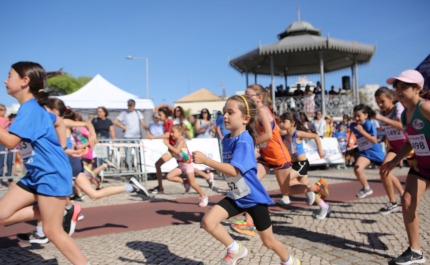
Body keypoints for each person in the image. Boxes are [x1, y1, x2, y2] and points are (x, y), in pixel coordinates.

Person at [16, 98, 149, 245]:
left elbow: (85, 124)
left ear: (53, 111)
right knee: (93, 194)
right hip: (69, 162)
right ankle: (130, 187)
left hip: (64, 164)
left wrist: (91, 134)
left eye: (44, 108)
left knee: (44, 195)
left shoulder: (59, 122)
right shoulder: (49, 122)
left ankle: (60, 217)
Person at [193, 95, 302, 265]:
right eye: (224, 112)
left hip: (253, 199)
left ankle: (290, 261)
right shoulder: (227, 139)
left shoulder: (244, 140)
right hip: (236, 194)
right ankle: (235, 249)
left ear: (245, 118)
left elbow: (235, 170)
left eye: (230, 112)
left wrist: (207, 161)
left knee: (268, 242)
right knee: (208, 222)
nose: (225, 116)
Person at [0, 61, 89, 264]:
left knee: (52, 230)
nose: (5, 80)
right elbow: (58, 121)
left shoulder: (30, 109)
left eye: (9, 75)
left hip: (51, 173)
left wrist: (59, 149)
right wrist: (62, 147)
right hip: (35, 174)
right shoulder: (34, 109)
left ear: (24, 81)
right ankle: (61, 210)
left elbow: (11, 141)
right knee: (1, 214)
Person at [380, 70, 429, 264]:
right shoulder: (404, 115)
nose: (399, 91)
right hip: (422, 167)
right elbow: (410, 142)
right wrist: (393, 162)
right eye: (397, 87)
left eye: (404, 86)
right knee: (407, 202)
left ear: (418, 89)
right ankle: (415, 252)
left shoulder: (425, 108)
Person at [231, 84, 292, 237]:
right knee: (249, 183)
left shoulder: (263, 111)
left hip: (278, 155)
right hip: (265, 156)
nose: (245, 97)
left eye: (248, 95)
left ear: (259, 97)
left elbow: (269, 135)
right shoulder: (252, 113)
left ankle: (316, 188)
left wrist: (251, 143)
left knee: (287, 190)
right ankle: (249, 223)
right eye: (244, 95)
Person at [148, 107, 214, 194]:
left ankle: (161, 187)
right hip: (174, 148)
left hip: (175, 149)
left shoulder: (169, 123)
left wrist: (153, 137)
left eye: (160, 115)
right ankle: (206, 176)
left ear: (166, 115)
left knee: (186, 164)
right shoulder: (165, 123)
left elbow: (168, 134)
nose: (158, 117)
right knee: (187, 165)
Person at [279, 112, 331, 219]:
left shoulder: (297, 134)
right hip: (294, 164)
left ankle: (317, 187)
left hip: (301, 164)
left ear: (292, 123)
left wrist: (320, 151)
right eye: (280, 121)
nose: (281, 123)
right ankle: (324, 206)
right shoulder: (283, 137)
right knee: (306, 189)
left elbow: (316, 136)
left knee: (286, 181)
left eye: (284, 121)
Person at [374, 87, 409, 215]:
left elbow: (403, 126)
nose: (380, 105)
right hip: (394, 148)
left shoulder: (398, 107)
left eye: (382, 101)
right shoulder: (383, 112)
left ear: (391, 99)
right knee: (384, 170)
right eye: (377, 102)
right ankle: (393, 202)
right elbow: (389, 129)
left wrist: (384, 120)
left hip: (408, 146)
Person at [163, 124, 208, 207]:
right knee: (169, 176)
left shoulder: (181, 141)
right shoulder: (176, 142)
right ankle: (185, 182)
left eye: (173, 132)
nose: (171, 134)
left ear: (180, 132)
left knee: (193, 184)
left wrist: (167, 144)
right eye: (171, 132)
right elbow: (179, 154)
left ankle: (203, 196)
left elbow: (176, 151)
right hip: (181, 165)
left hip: (187, 165)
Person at [349, 104, 386, 199]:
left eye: (358, 116)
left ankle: (402, 192)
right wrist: (350, 140)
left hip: (376, 152)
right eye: (354, 116)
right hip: (364, 153)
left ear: (366, 115)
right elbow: (354, 130)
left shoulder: (369, 124)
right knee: (357, 168)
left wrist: (362, 132)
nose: (356, 118)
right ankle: (366, 188)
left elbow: (374, 140)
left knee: (387, 175)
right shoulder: (353, 125)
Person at [113, 99, 148, 172]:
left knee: (138, 154)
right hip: (127, 136)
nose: (129, 107)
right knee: (128, 154)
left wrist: (147, 131)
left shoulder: (138, 113)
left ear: (134, 105)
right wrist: (123, 127)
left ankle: (139, 169)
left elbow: (142, 122)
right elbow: (115, 121)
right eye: (128, 105)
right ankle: (130, 169)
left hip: (137, 136)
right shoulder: (124, 113)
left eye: (130, 105)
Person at [0, 104, 11, 188]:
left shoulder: (7, 119)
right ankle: (0, 181)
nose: (3, 111)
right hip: (1, 142)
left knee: (10, 162)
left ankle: (10, 180)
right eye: (1, 109)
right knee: (1, 162)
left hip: (9, 142)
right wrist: (4, 125)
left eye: (4, 109)